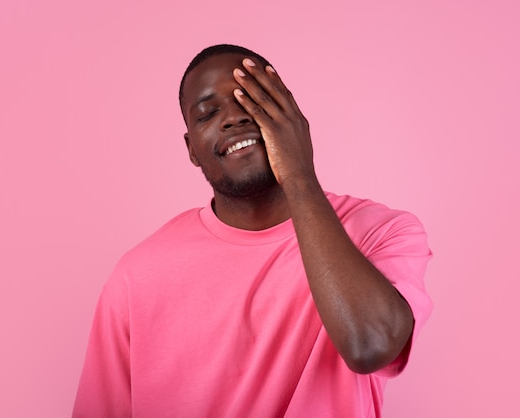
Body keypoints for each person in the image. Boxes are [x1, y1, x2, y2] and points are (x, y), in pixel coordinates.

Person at [73, 44, 432, 417]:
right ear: (192, 149)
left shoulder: (381, 232)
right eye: (209, 113)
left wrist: (298, 176)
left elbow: (369, 345)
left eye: (252, 100)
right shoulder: (135, 278)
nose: (232, 119)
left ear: (291, 114)